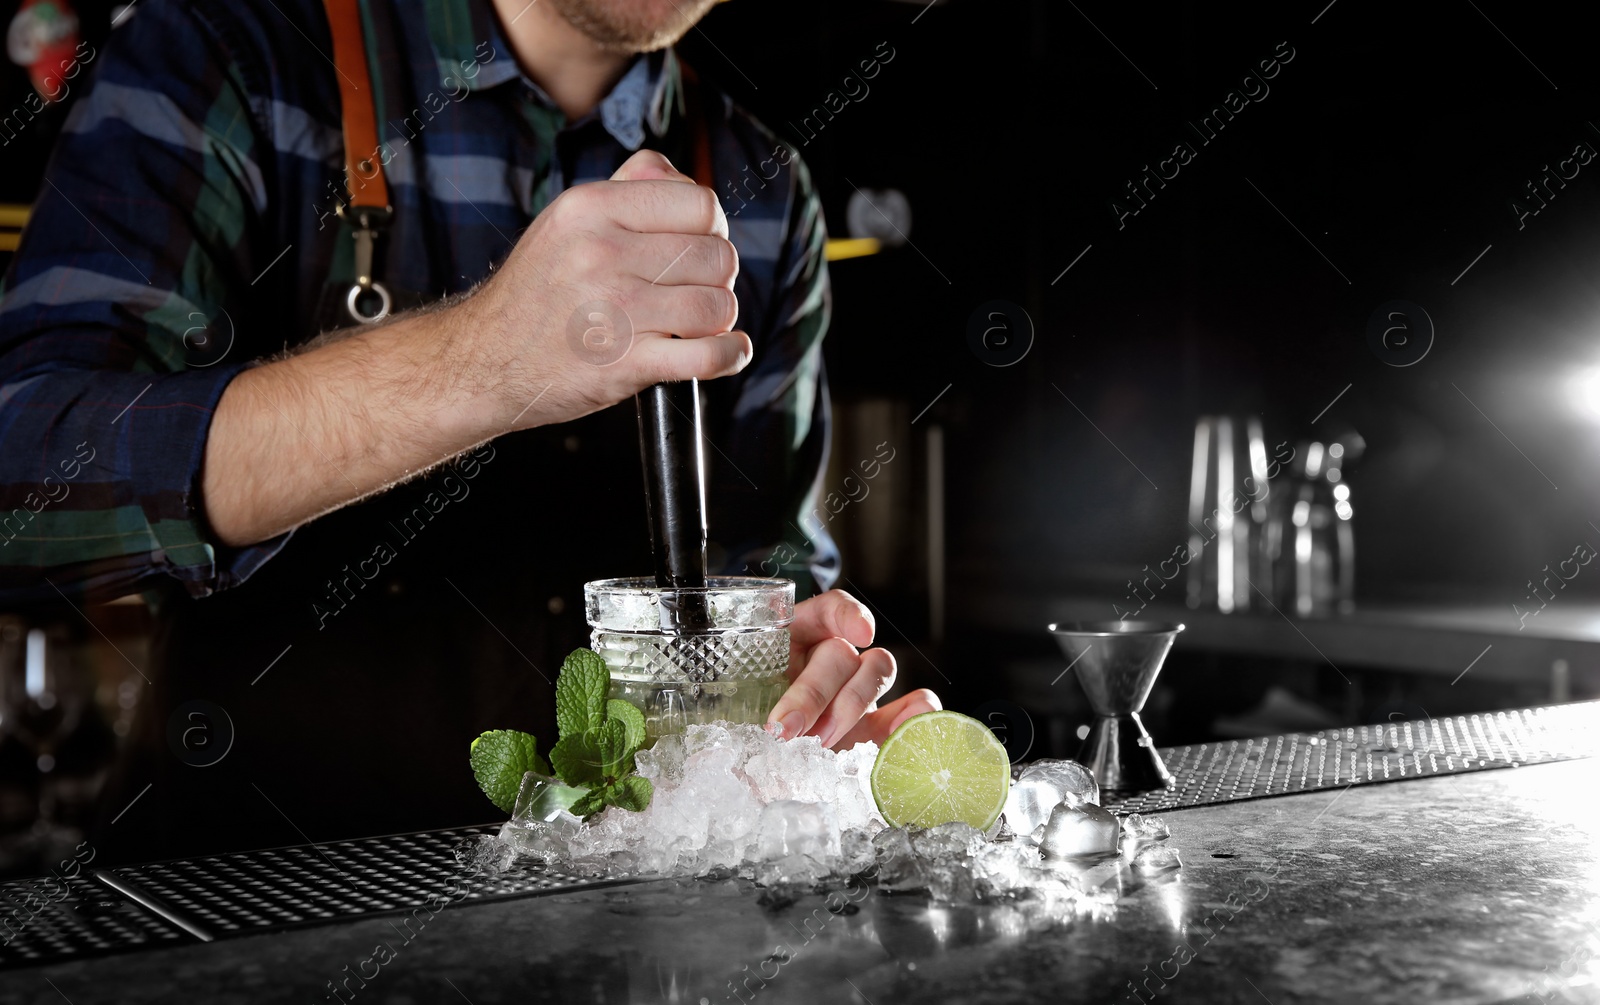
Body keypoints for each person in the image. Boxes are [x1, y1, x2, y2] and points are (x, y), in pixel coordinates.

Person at [0, 0, 937, 862]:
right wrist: (480, 362)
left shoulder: (767, 194)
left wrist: (798, 690)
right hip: (243, 912)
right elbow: (26, 483)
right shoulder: (227, 50)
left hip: (609, 950)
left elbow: (771, 584)